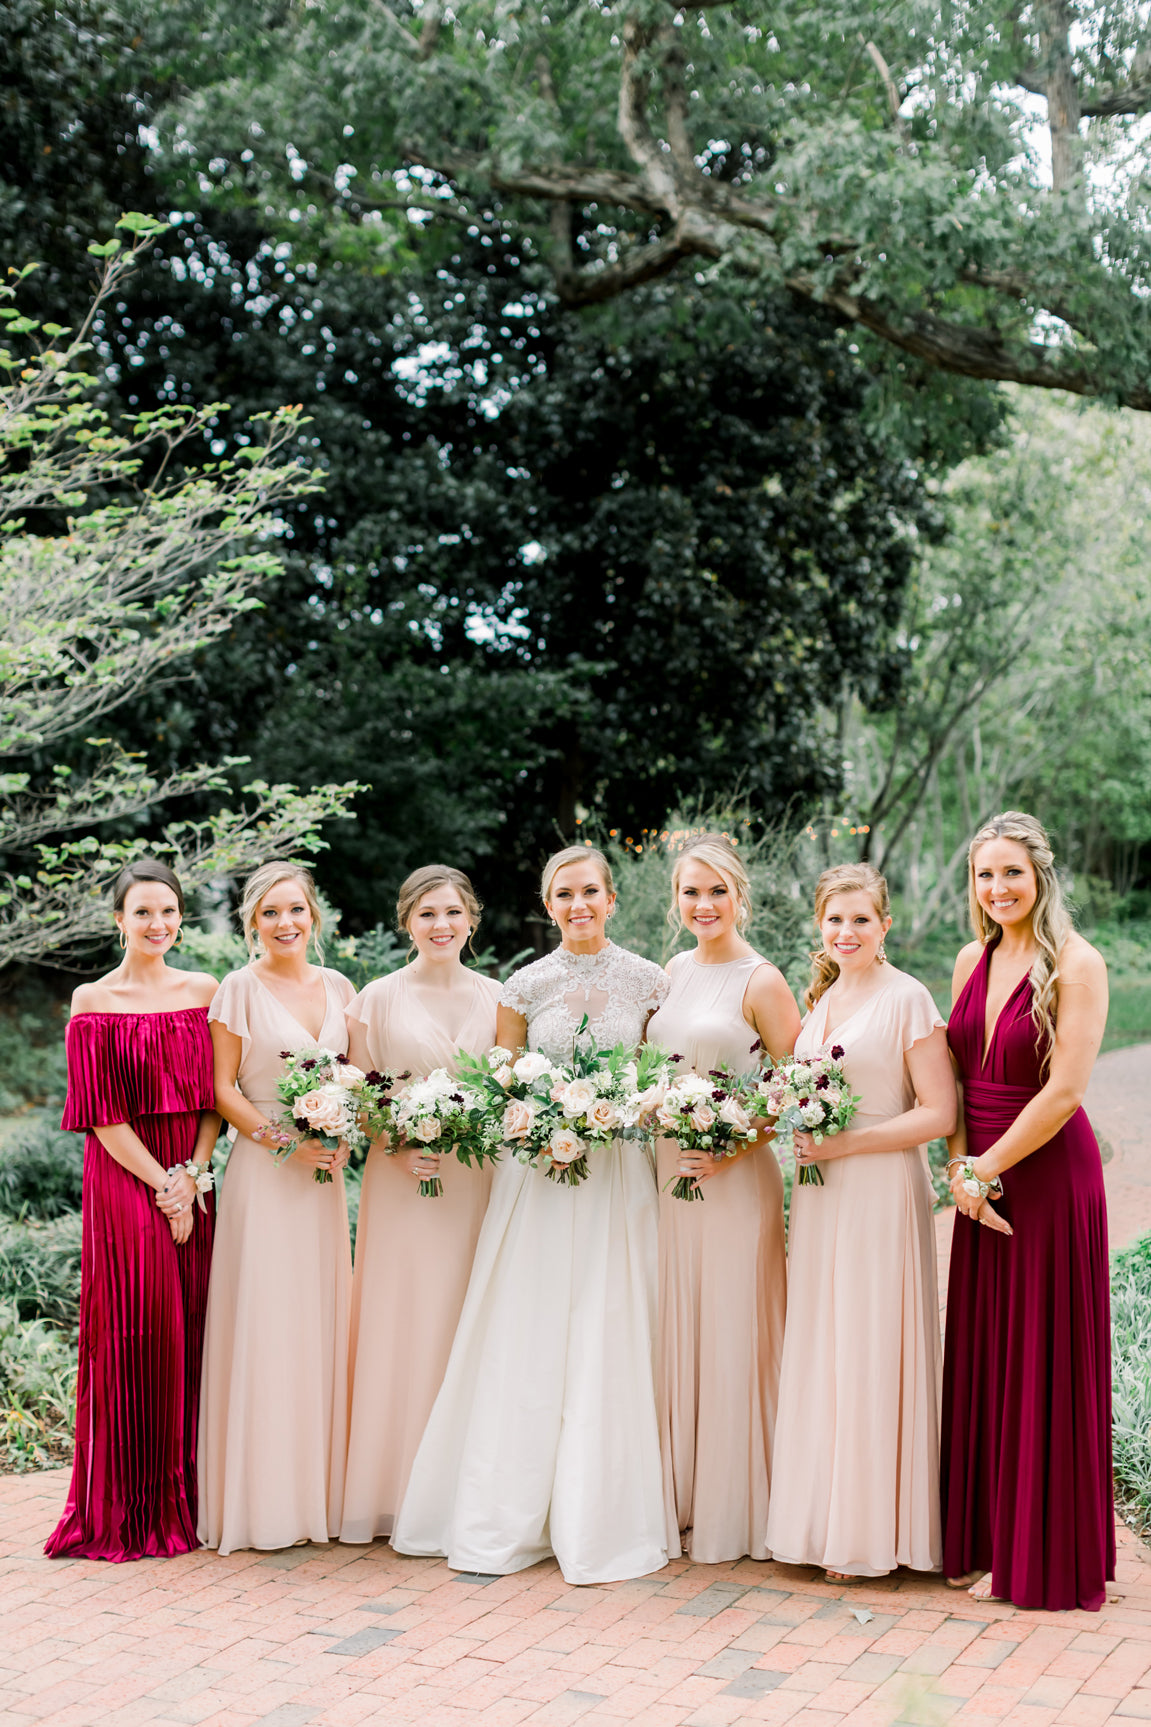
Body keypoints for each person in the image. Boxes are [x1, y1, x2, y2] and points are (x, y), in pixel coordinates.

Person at [393, 844, 670, 1585]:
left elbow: (657, 1080)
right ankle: (508, 1510)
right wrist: (540, 1121)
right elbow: (503, 1083)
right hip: (535, 1176)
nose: (577, 904)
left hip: (615, 1173)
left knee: (606, 1326)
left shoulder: (651, 980)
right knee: (529, 1327)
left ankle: (598, 1511)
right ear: (547, 905)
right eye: (562, 894)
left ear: (611, 898)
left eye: (589, 891)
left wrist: (612, 1115)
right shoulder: (521, 985)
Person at [941, 811, 1113, 1610]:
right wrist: (956, 1169)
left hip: (1042, 1176)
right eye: (983, 874)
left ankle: (1038, 1549)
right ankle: (984, 1536)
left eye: (1010, 871)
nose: (997, 887)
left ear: (1040, 872)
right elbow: (955, 1082)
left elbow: (1065, 1091)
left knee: (1038, 1352)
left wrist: (982, 1168)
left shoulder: (1076, 964)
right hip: (978, 1175)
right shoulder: (968, 958)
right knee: (988, 1350)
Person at [766, 862, 956, 1581]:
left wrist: (845, 1142)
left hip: (878, 1186)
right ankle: (820, 1520)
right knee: (823, 1338)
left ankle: (869, 1531)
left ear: (884, 924)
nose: (845, 932)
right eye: (833, 919)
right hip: (819, 1194)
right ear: (820, 924)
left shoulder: (907, 999)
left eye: (859, 919)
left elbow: (939, 1113)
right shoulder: (820, 1001)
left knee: (870, 1339)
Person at [45, 860, 218, 1561]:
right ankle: (128, 1508)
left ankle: (195, 1499)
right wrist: (163, 1185)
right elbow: (102, 1116)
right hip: (126, 1181)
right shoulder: (93, 1000)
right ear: (118, 918)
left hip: (193, 1174)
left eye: (169, 911)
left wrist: (195, 1175)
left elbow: (215, 1097)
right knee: (138, 1330)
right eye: (143, 912)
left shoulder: (205, 991)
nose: (158, 924)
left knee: (195, 1329)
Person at [647, 834, 800, 1563]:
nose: (702, 905)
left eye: (715, 891)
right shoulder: (672, 971)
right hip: (668, 1181)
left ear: (740, 895)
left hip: (733, 1180)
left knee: (733, 1326)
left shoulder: (761, 979)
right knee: (681, 1323)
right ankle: (682, 1495)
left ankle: (743, 1502)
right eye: (689, 892)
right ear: (675, 900)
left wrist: (728, 1144)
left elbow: (798, 1088)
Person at [340, 865, 501, 1544]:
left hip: (474, 1178)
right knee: (401, 1317)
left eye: (452, 912)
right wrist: (397, 1145)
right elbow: (357, 1090)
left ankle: (467, 1489)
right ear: (407, 920)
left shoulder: (501, 1000)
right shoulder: (373, 999)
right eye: (427, 913)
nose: (441, 925)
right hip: (399, 1176)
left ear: (472, 919)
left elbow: (509, 1090)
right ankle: (394, 1488)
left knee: (469, 1316)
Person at [197, 861, 355, 1555]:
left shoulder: (341, 987)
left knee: (316, 1323)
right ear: (251, 922)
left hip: (321, 1180)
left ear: (312, 914)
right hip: (264, 1174)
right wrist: (279, 1140)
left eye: (295, 909)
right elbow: (222, 1088)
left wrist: (340, 1134)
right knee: (266, 1323)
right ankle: (260, 1501)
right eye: (269, 913)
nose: (284, 923)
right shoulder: (238, 987)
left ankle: (314, 1492)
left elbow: (353, 1078)